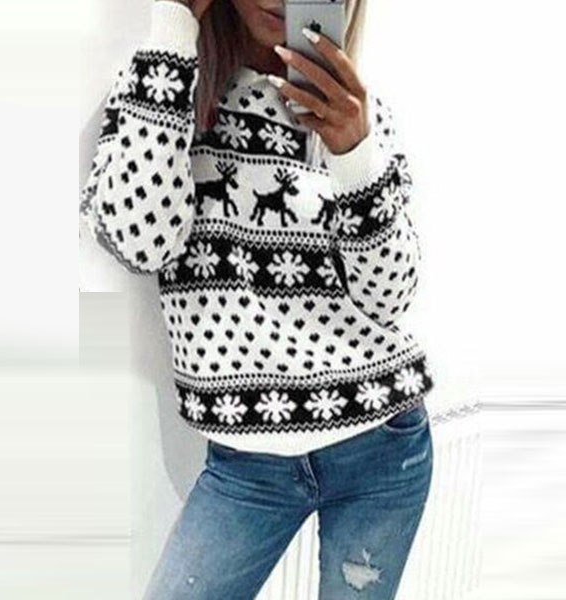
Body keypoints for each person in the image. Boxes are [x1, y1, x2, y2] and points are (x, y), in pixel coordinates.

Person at [80, 0, 436, 597]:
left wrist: (354, 155)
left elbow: (389, 296)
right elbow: (140, 241)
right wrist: (174, 24)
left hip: (381, 445)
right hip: (246, 469)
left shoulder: (359, 116)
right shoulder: (163, 88)